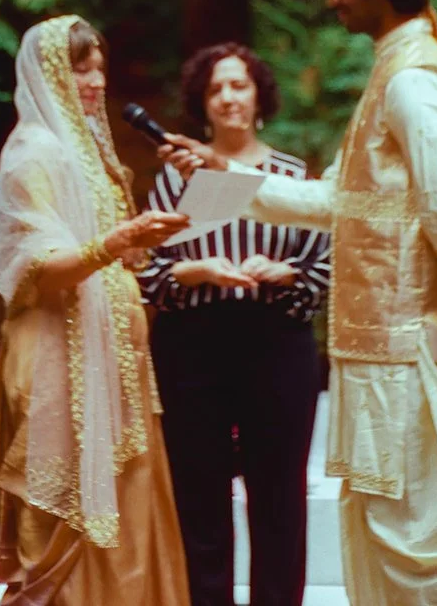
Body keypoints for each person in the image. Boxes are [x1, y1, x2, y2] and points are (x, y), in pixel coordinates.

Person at [163, 0, 437, 606]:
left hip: (405, 335)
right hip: (375, 341)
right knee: (382, 515)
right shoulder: (392, 70)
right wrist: (227, 174)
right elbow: (347, 205)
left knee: (417, 523)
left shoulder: (412, 79)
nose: (332, 1)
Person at [0, 15, 193, 606]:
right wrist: (113, 244)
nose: (94, 82)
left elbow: (115, 254)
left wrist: (140, 241)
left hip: (113, 360)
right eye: (79, 68)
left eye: (99, 68)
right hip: (55, 360)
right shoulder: (33, 153)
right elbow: (39, 268)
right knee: (59, 516)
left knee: (128, 503)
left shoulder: (90, 151)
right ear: (46, 76)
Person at [139, 43, 331, 606]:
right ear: (202, 102)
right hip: (192, 347)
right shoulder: (176, 182)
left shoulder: (293, 175)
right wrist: (192, 271)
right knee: (199, 497)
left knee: (279, 498)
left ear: (259, 96)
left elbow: (323, 271)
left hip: (276, 343)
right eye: (216, 88)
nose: (228, 98)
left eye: (239, 85)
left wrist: (286, 272)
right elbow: (150, 277)